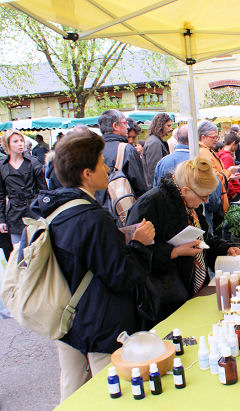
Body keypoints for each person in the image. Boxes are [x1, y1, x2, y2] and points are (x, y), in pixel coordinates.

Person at [30, 126, 154, 402]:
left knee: (72, 387)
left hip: (66, 314)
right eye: (101, 164)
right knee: (109, 390)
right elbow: (121, 275)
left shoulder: (54, 209)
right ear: (87, 173)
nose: (107, 170)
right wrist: (140, 244)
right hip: (100, 321)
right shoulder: (93, 218)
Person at [126, 157, 240, 326]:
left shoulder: (188, 205)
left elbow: (203, 238)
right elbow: (133, 256)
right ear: (185, 190)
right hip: (165, 302)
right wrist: (174, 252)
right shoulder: (150, 204)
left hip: (188, 292)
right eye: (203, 197)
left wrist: (225, 249)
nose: (206, 201)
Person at [0, 130, 47, 244]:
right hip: (15, 215)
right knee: (18, 254)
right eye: (15, 141)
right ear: (7, 144)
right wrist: (1, 220)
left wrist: (45, 214)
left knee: (37, 253)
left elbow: (44, 190)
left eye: (21, 140)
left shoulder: (33, 163)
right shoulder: (2, 166)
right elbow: (1, 195)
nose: (20, 144)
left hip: (34, 213)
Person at [95, 109, 147, 212]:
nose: (127, 127)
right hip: (123, 214)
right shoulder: (127, 150)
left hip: (98, 213)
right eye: (125, 123)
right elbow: (140, 188)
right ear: (115, 126)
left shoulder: (92, 149)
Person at [198, 120, 240, 215]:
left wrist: (229, 176)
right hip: (214, 201)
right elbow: (214, 178)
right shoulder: (204, 153)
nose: (216, 140)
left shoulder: (208, 151)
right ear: (203, 137)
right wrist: (229, 172)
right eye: (214, 137)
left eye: (217, 137)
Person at [142, 113, 172, 188]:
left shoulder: (155, 141)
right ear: (160, 126)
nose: (170, 129)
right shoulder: (155, 143)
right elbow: (154, 171)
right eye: (168, 125)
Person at [218, 132, 240, 201]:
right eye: (237, 145)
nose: (237, 147)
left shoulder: (221, 154)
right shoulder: (227, 157)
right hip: (232, 193)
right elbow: (227, 176)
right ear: (233, 143)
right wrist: (233, 194)